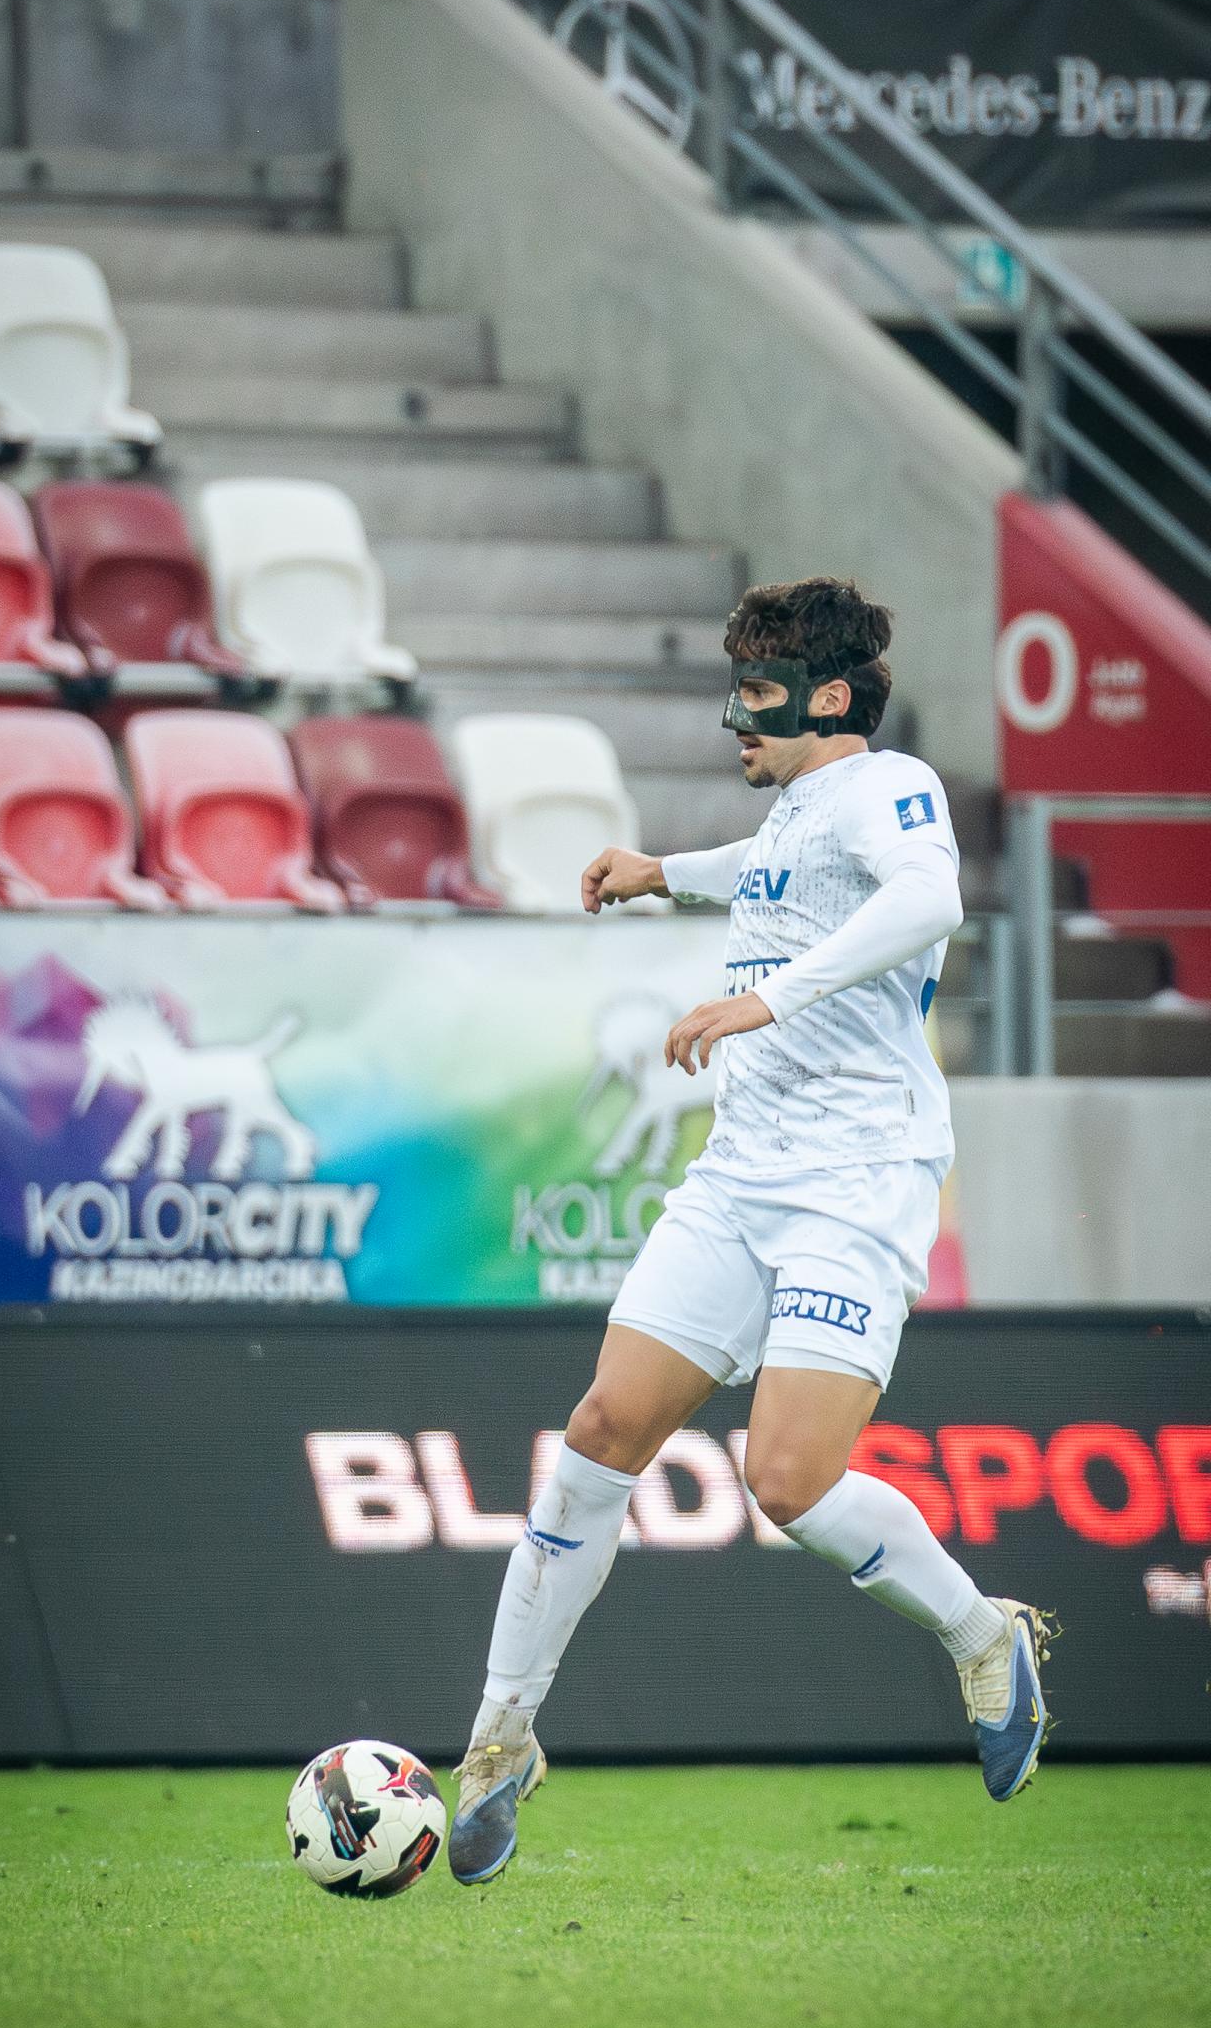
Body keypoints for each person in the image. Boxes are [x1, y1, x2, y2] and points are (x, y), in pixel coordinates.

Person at [449, 576, 1052, 1886]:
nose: (736, 719)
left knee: (786, 1483)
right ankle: (500, 1736)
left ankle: (982, 1634)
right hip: (741, 1175)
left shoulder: (892, 785)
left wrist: (765, 999)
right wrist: (664, 875)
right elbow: (770, 873)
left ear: (829, 698)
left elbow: (927, 902)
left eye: (759, 694)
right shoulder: (797, 809)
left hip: (857, 1179)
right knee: (603, 1429)